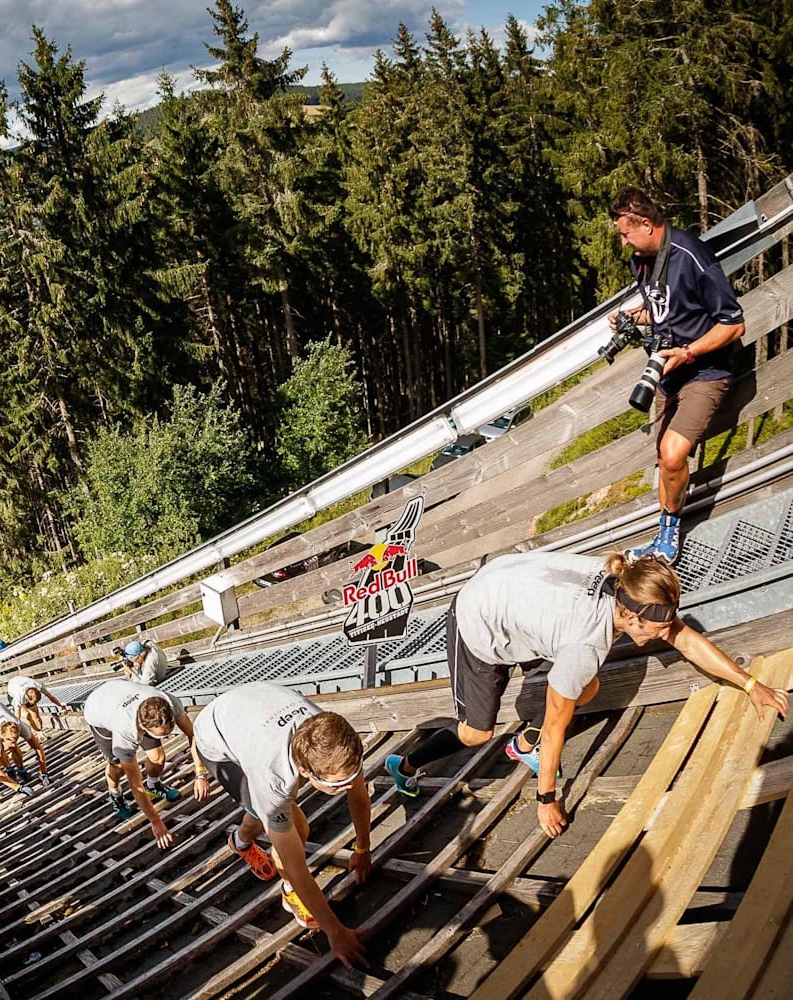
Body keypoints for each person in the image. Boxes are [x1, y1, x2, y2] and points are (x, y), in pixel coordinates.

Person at [386, 551, 787, 839]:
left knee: (588, 686)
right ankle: (403, 763)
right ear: (630, 617)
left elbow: (684, 638)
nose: (663, 637)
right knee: (477, 734)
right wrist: (546, 799)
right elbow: (558, 723)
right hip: (480, 619)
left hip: (522, 601)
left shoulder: (628, 583)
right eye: (656, 630)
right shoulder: (585, 646)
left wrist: (751, 684)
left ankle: (524, 743)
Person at [191, 681, 373, 968]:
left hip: (250, 709)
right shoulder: (272, 776)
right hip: (217, 741)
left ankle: (239, 841)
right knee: (296, 829)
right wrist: (335, 931)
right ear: (304, 771)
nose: (348, 786)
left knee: (266, 813)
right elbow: (296, 865)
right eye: (337, 785)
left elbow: (359, 795)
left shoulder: (337, 743)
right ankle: (289, 894)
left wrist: (363, 847)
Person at [609, 187, 746, 562]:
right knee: (663, 456)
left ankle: (670, 535)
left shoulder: (690, 254)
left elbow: (734, 325)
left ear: (648, 225)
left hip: (705, 370)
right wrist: (632, 317)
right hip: (668, 372)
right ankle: (663, 533)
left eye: (626, 233)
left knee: (672, 454)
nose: (624, 243)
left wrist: (688, 352)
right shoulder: (642, 261)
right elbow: (663, 306)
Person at [81, 679, 194, 847]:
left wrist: (201, 772)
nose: (168, 737)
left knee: (158, 757)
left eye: (168, 733)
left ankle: (154, 785)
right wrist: (155, 821)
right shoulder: (125, 729)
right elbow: (136, 785)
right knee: (118, 767)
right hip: (99, 709)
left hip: (125, 697)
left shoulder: (167, 702)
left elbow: (193, 736)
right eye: (163, 735)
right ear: (143, 726)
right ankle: (115, 795)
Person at [0, 698, 50, 793]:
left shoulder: (20, 725)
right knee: (0, 750)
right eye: (8, 739)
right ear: (2, 736)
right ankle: (9, 769)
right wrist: (17, 787)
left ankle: (21, 769)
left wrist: (44, 772)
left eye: (15, 740)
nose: (12, 742)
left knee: (13, 747)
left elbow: (38, 747)